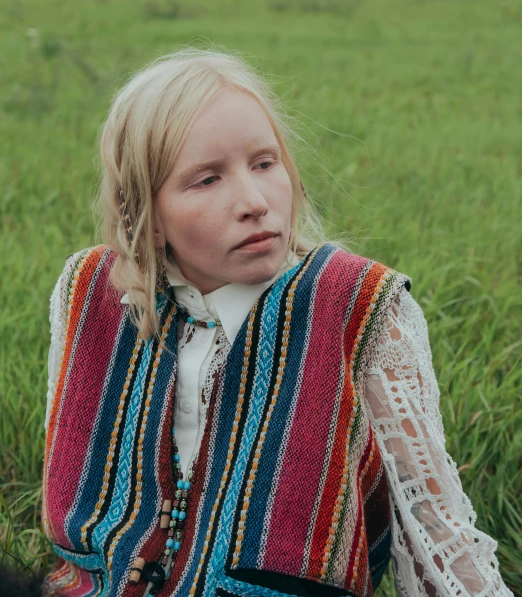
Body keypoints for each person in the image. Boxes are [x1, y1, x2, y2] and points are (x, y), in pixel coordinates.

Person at [41, 47, 513, 597]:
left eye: (265, 164)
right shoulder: (92, 290)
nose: (254, 201)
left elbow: (433, 527)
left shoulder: (358, 308)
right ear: (145, 214)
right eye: (206, 179)